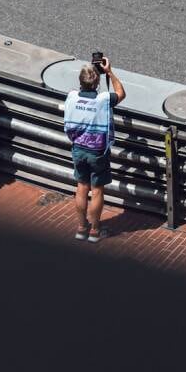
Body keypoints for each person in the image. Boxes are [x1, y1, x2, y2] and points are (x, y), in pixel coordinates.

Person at [63, 54, 126, 243]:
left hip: (78, 148)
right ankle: (95, 230)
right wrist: (110, 72)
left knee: (81, 187)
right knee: (97, 190)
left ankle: (82, 228)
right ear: (97, 81)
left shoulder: (72, 97)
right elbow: (121, 93)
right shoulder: (103, 100)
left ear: (80, 81)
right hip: (97, 151)